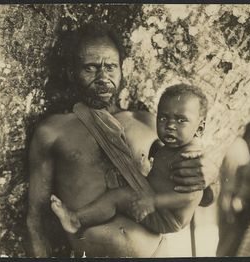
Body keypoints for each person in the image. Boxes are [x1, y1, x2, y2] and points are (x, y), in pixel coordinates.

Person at [26, 22, 219, 257]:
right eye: (90, 68)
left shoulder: (148, 122)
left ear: (121, 70)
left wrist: (211, 178)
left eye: (110, 67)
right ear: (71, 73)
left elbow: (197, 192)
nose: (102, 77)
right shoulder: (53, 131)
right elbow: (36, 217)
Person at [50, 84, 207, 235]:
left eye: (181, 120)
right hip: (155, 198)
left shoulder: (190, 157)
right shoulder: (177, 145)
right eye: (163, 118)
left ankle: (75, 220)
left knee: (117, 197)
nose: (170, 125)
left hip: (166, 216)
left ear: (199, 128)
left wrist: (153, 201)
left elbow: (189, 196)